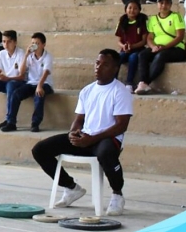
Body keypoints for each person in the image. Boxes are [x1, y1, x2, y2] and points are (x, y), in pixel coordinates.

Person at [31, 49, 133, 217]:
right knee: (40, 149)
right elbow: (79, 119)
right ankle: (71, 188)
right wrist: (73, 132)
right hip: (86, 136)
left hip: (107, 138)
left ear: (115, 69)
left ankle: (117, 194)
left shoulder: (120, 91)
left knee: (106, 153)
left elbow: (121, 125)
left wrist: (93, 138)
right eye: (97, 63)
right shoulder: (87, 90)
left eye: (105, 65)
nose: (98, 67)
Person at [134, 0, 186, 95]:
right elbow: (149, 37)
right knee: (142, 54)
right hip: (158, 47)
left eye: (167, 3)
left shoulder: (176, 17)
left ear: (170, 5)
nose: (164, 5)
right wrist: (153, 47)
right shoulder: (153, 19)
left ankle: (145, 83)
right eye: (161, 3)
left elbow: (180, 36)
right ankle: (142, 82)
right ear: (157, 4)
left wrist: (164, 47)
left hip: (176, 48)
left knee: (161, 55)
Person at [1, 32, 53, 133]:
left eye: (37, 43)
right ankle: (11, 122)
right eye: (33, 43)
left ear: (43, 45)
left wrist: (39, 86)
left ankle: (35, 123)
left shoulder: (48, 56)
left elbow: (46, 72)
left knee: (39, 95)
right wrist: (26, 55)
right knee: (16, 94)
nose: (35, 45)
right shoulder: (30, 56)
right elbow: (22, 71)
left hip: (45, 84)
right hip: (31, 83)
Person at [115, 0, 148, 92]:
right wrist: (123, 46)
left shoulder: (142, 22)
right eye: (130, 8)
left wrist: (133, 46)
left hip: (138, 49)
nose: (132, 10)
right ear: (126, 9)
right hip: (125, 49)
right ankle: (113, 81)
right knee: (118, 58)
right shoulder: (122, 21)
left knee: (133, 58)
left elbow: (144, 40)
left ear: (139, 10)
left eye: (135, 8)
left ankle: (129, 83)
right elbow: (119, 40)